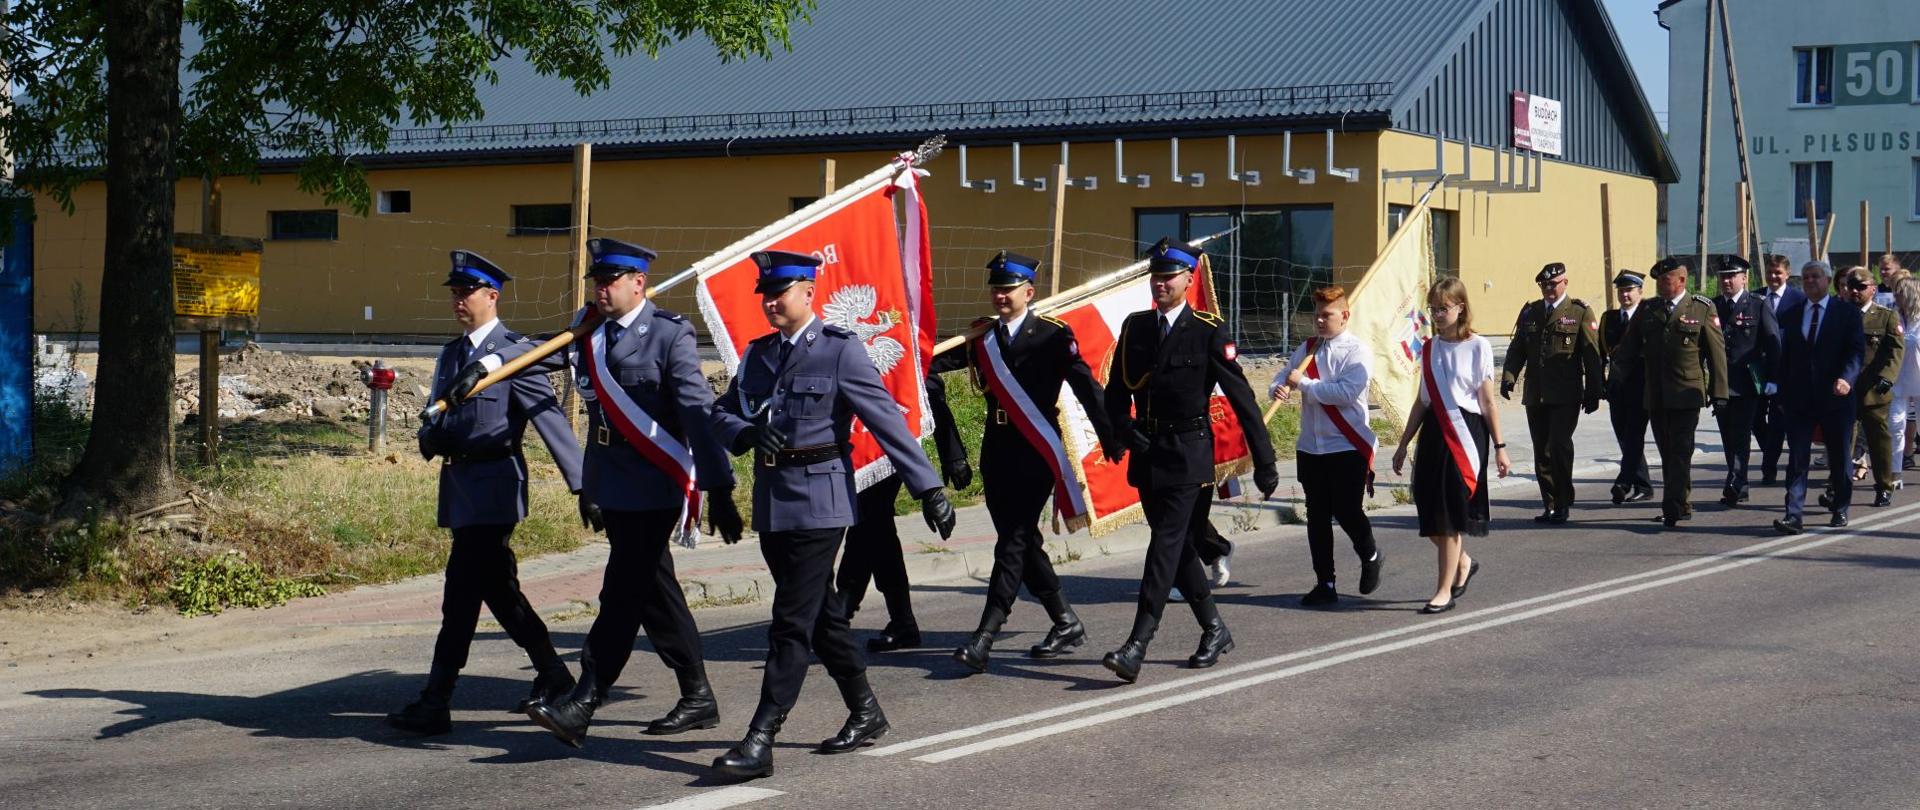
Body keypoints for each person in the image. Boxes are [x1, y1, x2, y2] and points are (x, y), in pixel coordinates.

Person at [449, 238, 744, 748]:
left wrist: (718, 487)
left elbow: (696, 414)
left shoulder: (668, 336)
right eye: (596, 281)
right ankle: (697, 694)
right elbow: (534, 351)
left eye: (610, 281)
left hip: (656, 480)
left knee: (623, 590)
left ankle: (584, 699)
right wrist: (486, 365)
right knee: (654, 588)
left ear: (638, 283)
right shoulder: (591, 330)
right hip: (612, 479)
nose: (601, 289)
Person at [708, 250, 957, 778]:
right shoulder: (757, 355)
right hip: (774, 502)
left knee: (790, 622)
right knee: (822, 617)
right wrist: (746, 432)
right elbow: (722, 413)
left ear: (808, 293)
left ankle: (760, 737)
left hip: (821, 502)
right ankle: (866, 711)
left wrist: (928, 486)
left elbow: (885, 419)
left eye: (781, 292)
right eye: (766, 294)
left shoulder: (841, 352)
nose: (772, 302)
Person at [386, 251, 589, 736]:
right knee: (498, 590)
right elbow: (441, 415)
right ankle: (555, 675)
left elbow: (550, 420)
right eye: (454, 292)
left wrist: (584, 486)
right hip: (460, 488)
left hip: (496, 487)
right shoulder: (452, 354)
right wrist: (429, 437)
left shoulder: (517, 352)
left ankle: (437, 699)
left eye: (467, 292)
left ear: (492, 296)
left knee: (460, 595)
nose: (458, 300)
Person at [928, 250, 1118, 673]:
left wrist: (1111, 435)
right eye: (995, 288)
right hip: (997, 448)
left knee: (1011, 542)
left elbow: (1087, 388)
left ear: (1028, 292)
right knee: (1023, 541)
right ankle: (1065, 621)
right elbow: (933, 362)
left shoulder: (1052, 335)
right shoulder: (982, 339)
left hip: (1036, 448)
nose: (1000, 295)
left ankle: (985, 635)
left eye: (1008, 288)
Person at [1099, 239, 1278, 684]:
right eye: (1156, 276)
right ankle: (1215, 630)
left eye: (1170, 276)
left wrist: (1265, 459)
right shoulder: (1136, 327)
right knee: (1177, 552)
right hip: (1148, 454)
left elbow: (1242, 399)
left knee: (1164, 545)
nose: (1161, 283)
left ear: (1188, 280)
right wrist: (1123, 430)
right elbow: (1115, 395)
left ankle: (1137, 643)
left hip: (1188, 455)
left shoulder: (1207, 330)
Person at [1391, 277, 1511, 614]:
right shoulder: (1429, 347)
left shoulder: (1478, 346)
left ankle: (1443, 590)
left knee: (1449, 514)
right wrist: (1403, 443)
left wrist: (1500, 446)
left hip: (1466, 434)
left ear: (1461, 308)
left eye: (1443, 308)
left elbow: (1487, 402)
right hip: (1433, 433)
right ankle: (1463, 562)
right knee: (1429, 511)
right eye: (1433, 308)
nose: (1437, 314)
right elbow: (1423, 400)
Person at [837, 371, 966, 654]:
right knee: (874, 529)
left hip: (886, 447)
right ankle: (898, 621)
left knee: (870, 524)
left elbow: (926, 380)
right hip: (847, 444)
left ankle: (842, 611)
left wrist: (952, 453)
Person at [1268, 285, 1381, 607]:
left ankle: (1370, 554)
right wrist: (1278, 389)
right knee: (1317, 516)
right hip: (1311, 448)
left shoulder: (1357, 352)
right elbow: (1281, 377)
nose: (1319, 320)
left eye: (1326, 315)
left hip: (1346, 445)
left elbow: (1345, 393)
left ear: (1344, 316)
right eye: (1316, 314)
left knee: (1346, 511)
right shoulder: (1306, 349)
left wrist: (1302, 383)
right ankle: (1325, 582)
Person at [1607, 256, 1729, 528]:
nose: (1661, 285)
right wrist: (1615, 377)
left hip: (1686, 394)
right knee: (1668, 453)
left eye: (1666, 280)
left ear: (1681, 280)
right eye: (1658, 281)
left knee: (1680, 451)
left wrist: (1719, 392)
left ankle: (1672, 507)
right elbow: (1628, 348)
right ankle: (1681, 503)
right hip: (1656, 395)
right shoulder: (1648, 310)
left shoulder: (1701, 308)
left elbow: (1716, 354)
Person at [1499, 262, 1603, 523]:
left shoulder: (1579, 312)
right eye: (1544, 285)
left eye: (1553, 284)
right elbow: (1517, 348)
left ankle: (1564, 500)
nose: (1549, 289)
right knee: (1541, 451)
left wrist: (1594, 391)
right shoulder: (1532, 312)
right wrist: (1509, 376)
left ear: (1565, 283)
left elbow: (1592, 356)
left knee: (1559, 446)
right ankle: (1551, 504)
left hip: (1566, 394)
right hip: (1536, 394)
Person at [1771, 261, 1865, 534]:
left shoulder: (1846, 313)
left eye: (1816, 277)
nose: (1810, 281)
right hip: (1799, 398)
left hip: (1835, 397)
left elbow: (1856, 352)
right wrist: (1779, 389)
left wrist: (1847, 379)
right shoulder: (1791, 312)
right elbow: (1784, 355)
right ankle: (1793, 515)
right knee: (1797, 458)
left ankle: (1840, 508)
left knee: (1838, 457)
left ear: (1827, 281)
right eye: (1806, 277)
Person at [1711, 256, 1780, 506]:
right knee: (1727, 436)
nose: (1727, 281)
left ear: (1744, 278)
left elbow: (1773, 344)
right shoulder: (1713, 306)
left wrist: (1773, 378)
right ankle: (1739, 484)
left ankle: (1736, 481)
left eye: (1732, 276)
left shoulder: (1758, 305)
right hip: (1719, 384)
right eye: (1723, 276)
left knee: (1740, 435)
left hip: (1747, 384)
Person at [1837, 266, 1905, 508]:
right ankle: (1837, 489)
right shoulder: (1838, 315)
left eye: (1861, 287)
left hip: (1873, 392)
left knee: (1879, 445)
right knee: (1843, 443)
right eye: (1851, 287)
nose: (1855, 291)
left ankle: (1884, 487)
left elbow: (1896, 352)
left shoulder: (1886, 316)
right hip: (1844, 392)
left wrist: (1887, 379)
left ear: (1873, 290)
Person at [1599, 270, 1653, 504]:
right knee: (1624, 437)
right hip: (1617, 387)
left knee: (1633, 435)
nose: (1625, 295)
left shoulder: (1649, 316)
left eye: (1629, 290)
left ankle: (1624, 481)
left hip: (1641, 386)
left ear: (1640, 292)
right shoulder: (1609, 318)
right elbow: (1601, 354)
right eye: (1621, 290)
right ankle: (1643, 484)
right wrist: (1601, 383)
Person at [1756, 255, 1805, 484]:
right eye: (1770, 272)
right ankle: (1768, 457)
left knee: (1779, 421)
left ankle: (1770, 468)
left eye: (1778, 273)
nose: (1773, 277)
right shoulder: (1756, 296)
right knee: (1756, 419)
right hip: (1758, 369)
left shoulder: (1798, 299)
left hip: (1786, 368)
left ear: (1787, 274)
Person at [1889, 278, 1920, 478]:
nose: (1896, 296)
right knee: (1895, 425)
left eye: (1900, 292)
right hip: (1898, 381)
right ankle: (1894, 473)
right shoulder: (1893, 317)